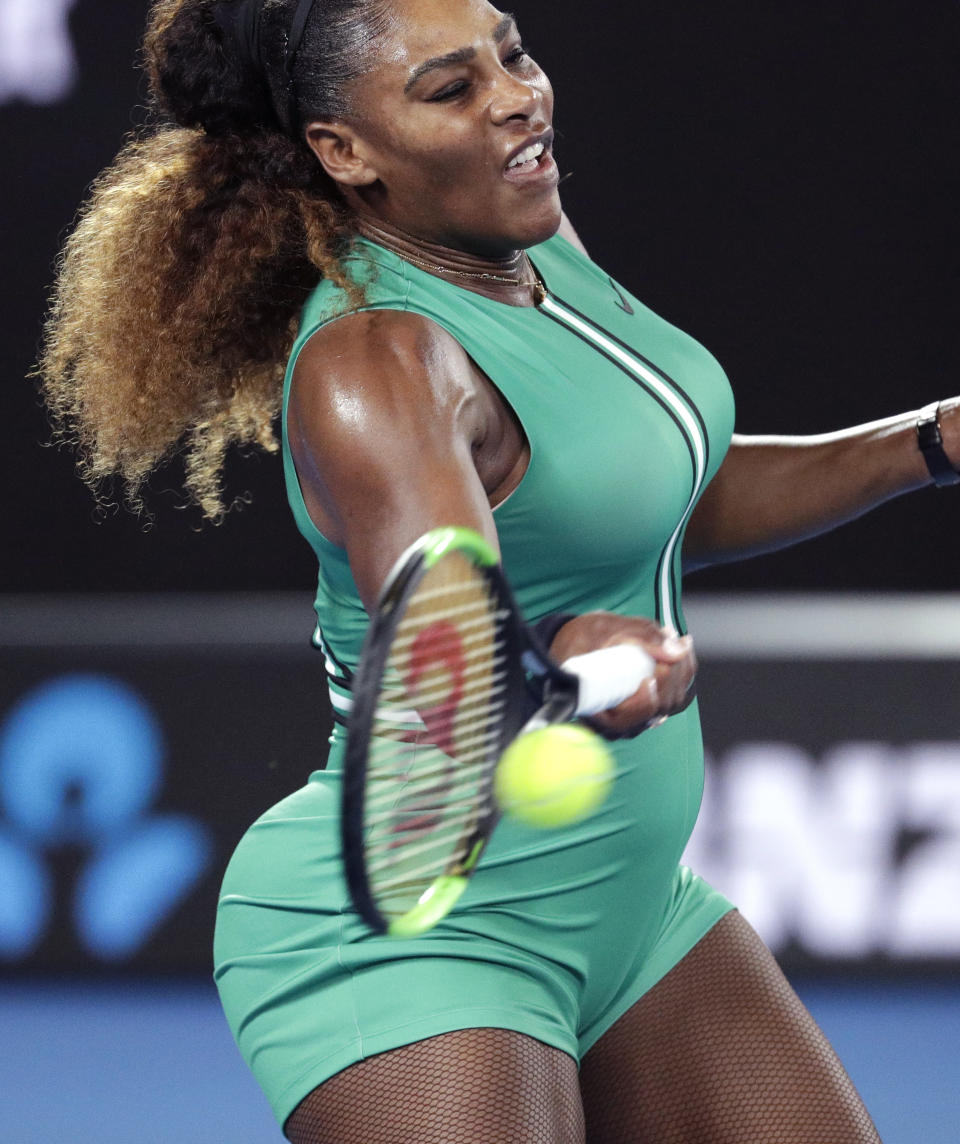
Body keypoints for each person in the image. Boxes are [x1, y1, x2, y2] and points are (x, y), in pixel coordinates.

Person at [36, 0, 959, 1140]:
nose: (517, 95)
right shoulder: (375, 360)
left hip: (627, 908)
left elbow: (667, 499)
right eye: (449, 88)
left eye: (510, 53)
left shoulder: (533, 247)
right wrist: (557, 654)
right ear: (345, 152)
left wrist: (927, 442)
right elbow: (439, 623)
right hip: (428, 932)